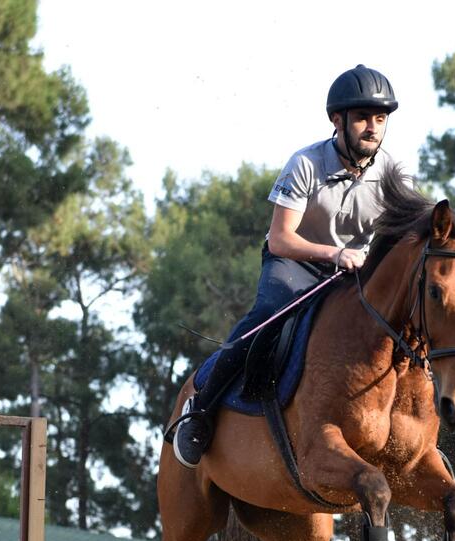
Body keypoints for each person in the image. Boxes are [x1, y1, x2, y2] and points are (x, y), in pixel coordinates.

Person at [172, 64, 411, 467]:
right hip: (296, 262)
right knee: (268, 314)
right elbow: (282, 238)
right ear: (338, 121)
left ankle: (415, 432)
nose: (372, 127)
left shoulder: (390, 173)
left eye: (380, 119)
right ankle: (201, 409)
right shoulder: (305, 164)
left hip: (354, 273)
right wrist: (334, 254)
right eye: (362, 118)